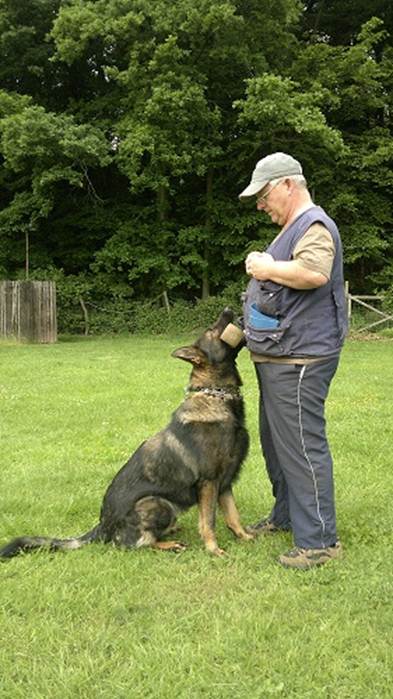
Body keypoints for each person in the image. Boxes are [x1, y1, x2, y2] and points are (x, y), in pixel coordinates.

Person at [238, 152, 347, 570]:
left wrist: (267, 266)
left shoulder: (314, 224)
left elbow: (314, 273)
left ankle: (319, 540)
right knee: (277, 445)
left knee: (301, 446)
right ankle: (286, 515)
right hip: (279, 356)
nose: (261, 204)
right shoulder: (290, 228)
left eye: (264, 195)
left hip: (300, 359)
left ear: (287, 185)